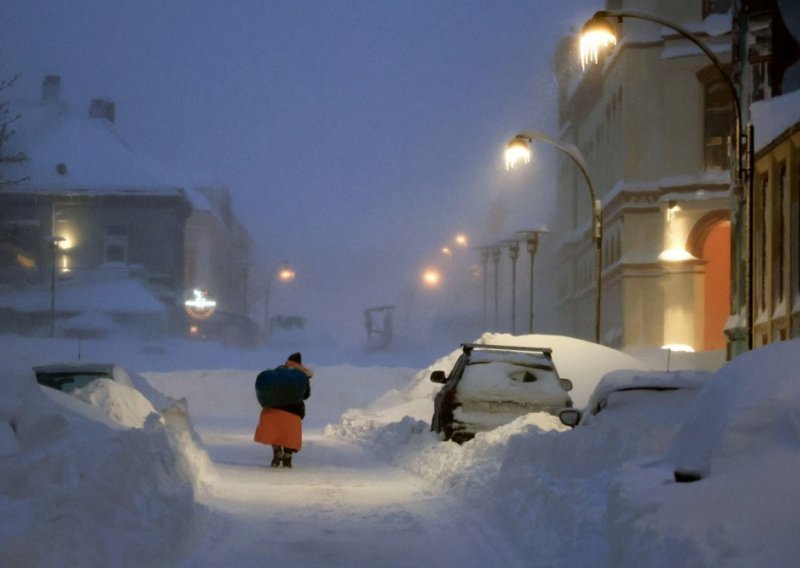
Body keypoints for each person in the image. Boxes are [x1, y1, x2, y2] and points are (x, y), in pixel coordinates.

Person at [253, 352, 313, 468]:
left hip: (272, 410)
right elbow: (306, 395)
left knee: (275, 432)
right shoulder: (301, 376)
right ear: (299, 364)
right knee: (289, 434)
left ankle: (277, 452)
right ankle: (287, 457)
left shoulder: (277, 373)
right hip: (293, 412)